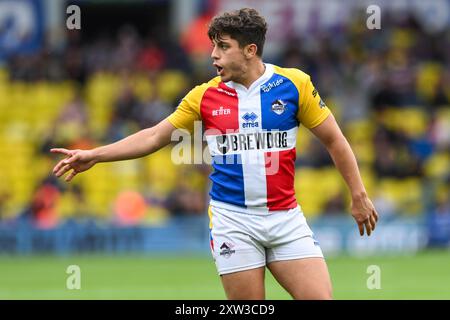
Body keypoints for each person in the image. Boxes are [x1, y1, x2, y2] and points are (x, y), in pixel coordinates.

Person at [51, 8, 379, 300]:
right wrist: (95, 154)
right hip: (233, 220)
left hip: (285, 218)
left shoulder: (294, 85)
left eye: (223, 47)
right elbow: (154, 136)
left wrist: (359, 194)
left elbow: (335, 141)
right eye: (213, 46)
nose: (213, 55)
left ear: (250, 50)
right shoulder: (204, 96)